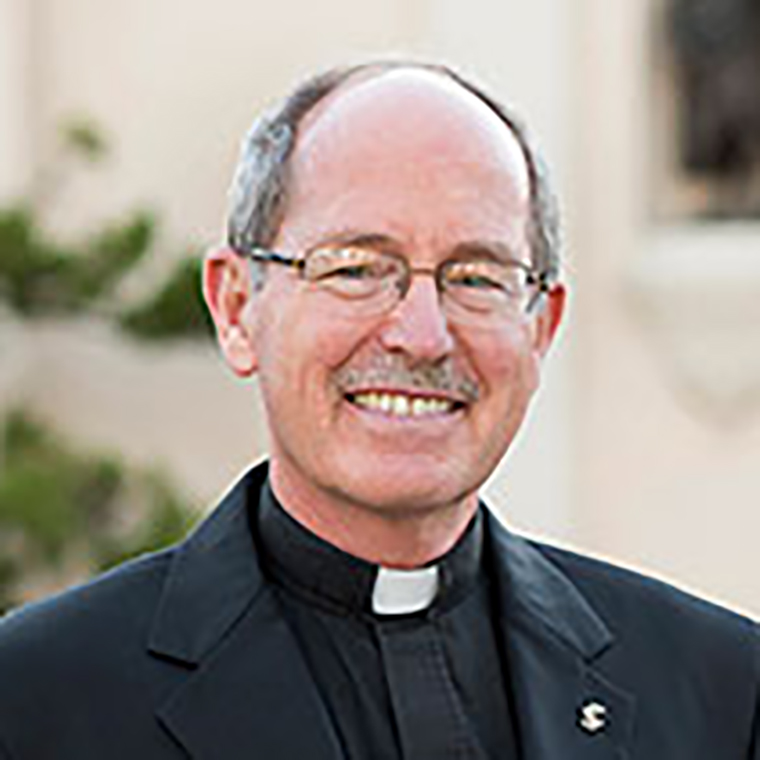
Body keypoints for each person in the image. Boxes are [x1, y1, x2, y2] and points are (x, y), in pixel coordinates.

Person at [0, 60, 757, 760]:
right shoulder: (37, 697)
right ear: (237, 309)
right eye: (356, 268)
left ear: (539, 328)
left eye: (477, 276)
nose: (422, 335)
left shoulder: (721, 692)